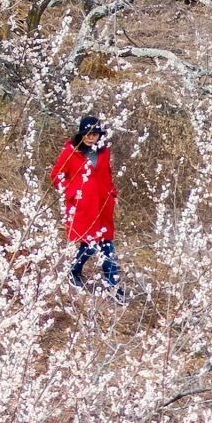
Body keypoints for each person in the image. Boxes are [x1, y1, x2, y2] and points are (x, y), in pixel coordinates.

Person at [50, 114, 123, 299]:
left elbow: (106, 173)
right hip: (83, 205)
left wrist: (111, 192)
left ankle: (113, 285)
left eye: (95, 134)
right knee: (90, 243)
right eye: (88, 134)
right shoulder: (71, 151)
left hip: (103, 204)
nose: (91, 138)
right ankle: (74, 270)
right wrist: (72, 192)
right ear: (81, 134)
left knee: (107, 243)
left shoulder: (104, 152)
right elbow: (57, 175)